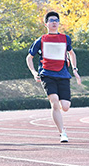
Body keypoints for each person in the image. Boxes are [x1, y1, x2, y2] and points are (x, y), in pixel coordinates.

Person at [26, 11, 82, 143]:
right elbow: (29, 57)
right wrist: (34, 72)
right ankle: (62, 132)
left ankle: (61, 120)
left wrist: (74, 69)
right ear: (46, 24)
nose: (54, 22)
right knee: (54, 102)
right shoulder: (41, 40)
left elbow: (72, 54)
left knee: (65, 106)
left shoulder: (65, 38)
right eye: (51, 20)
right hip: (47, 74)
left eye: (56, 20)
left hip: (63, 74)